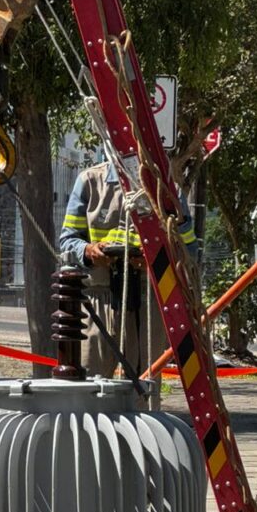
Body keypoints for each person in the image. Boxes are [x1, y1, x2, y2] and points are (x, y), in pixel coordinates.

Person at [59, 159, 197, 392]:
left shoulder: (164, 188)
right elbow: (67, 242)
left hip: (147, 303)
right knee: (86, 390)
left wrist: (155, 261)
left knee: (143, 391)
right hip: (98, 304)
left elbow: (189, 249)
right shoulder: (90, 182)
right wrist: (88, 251)